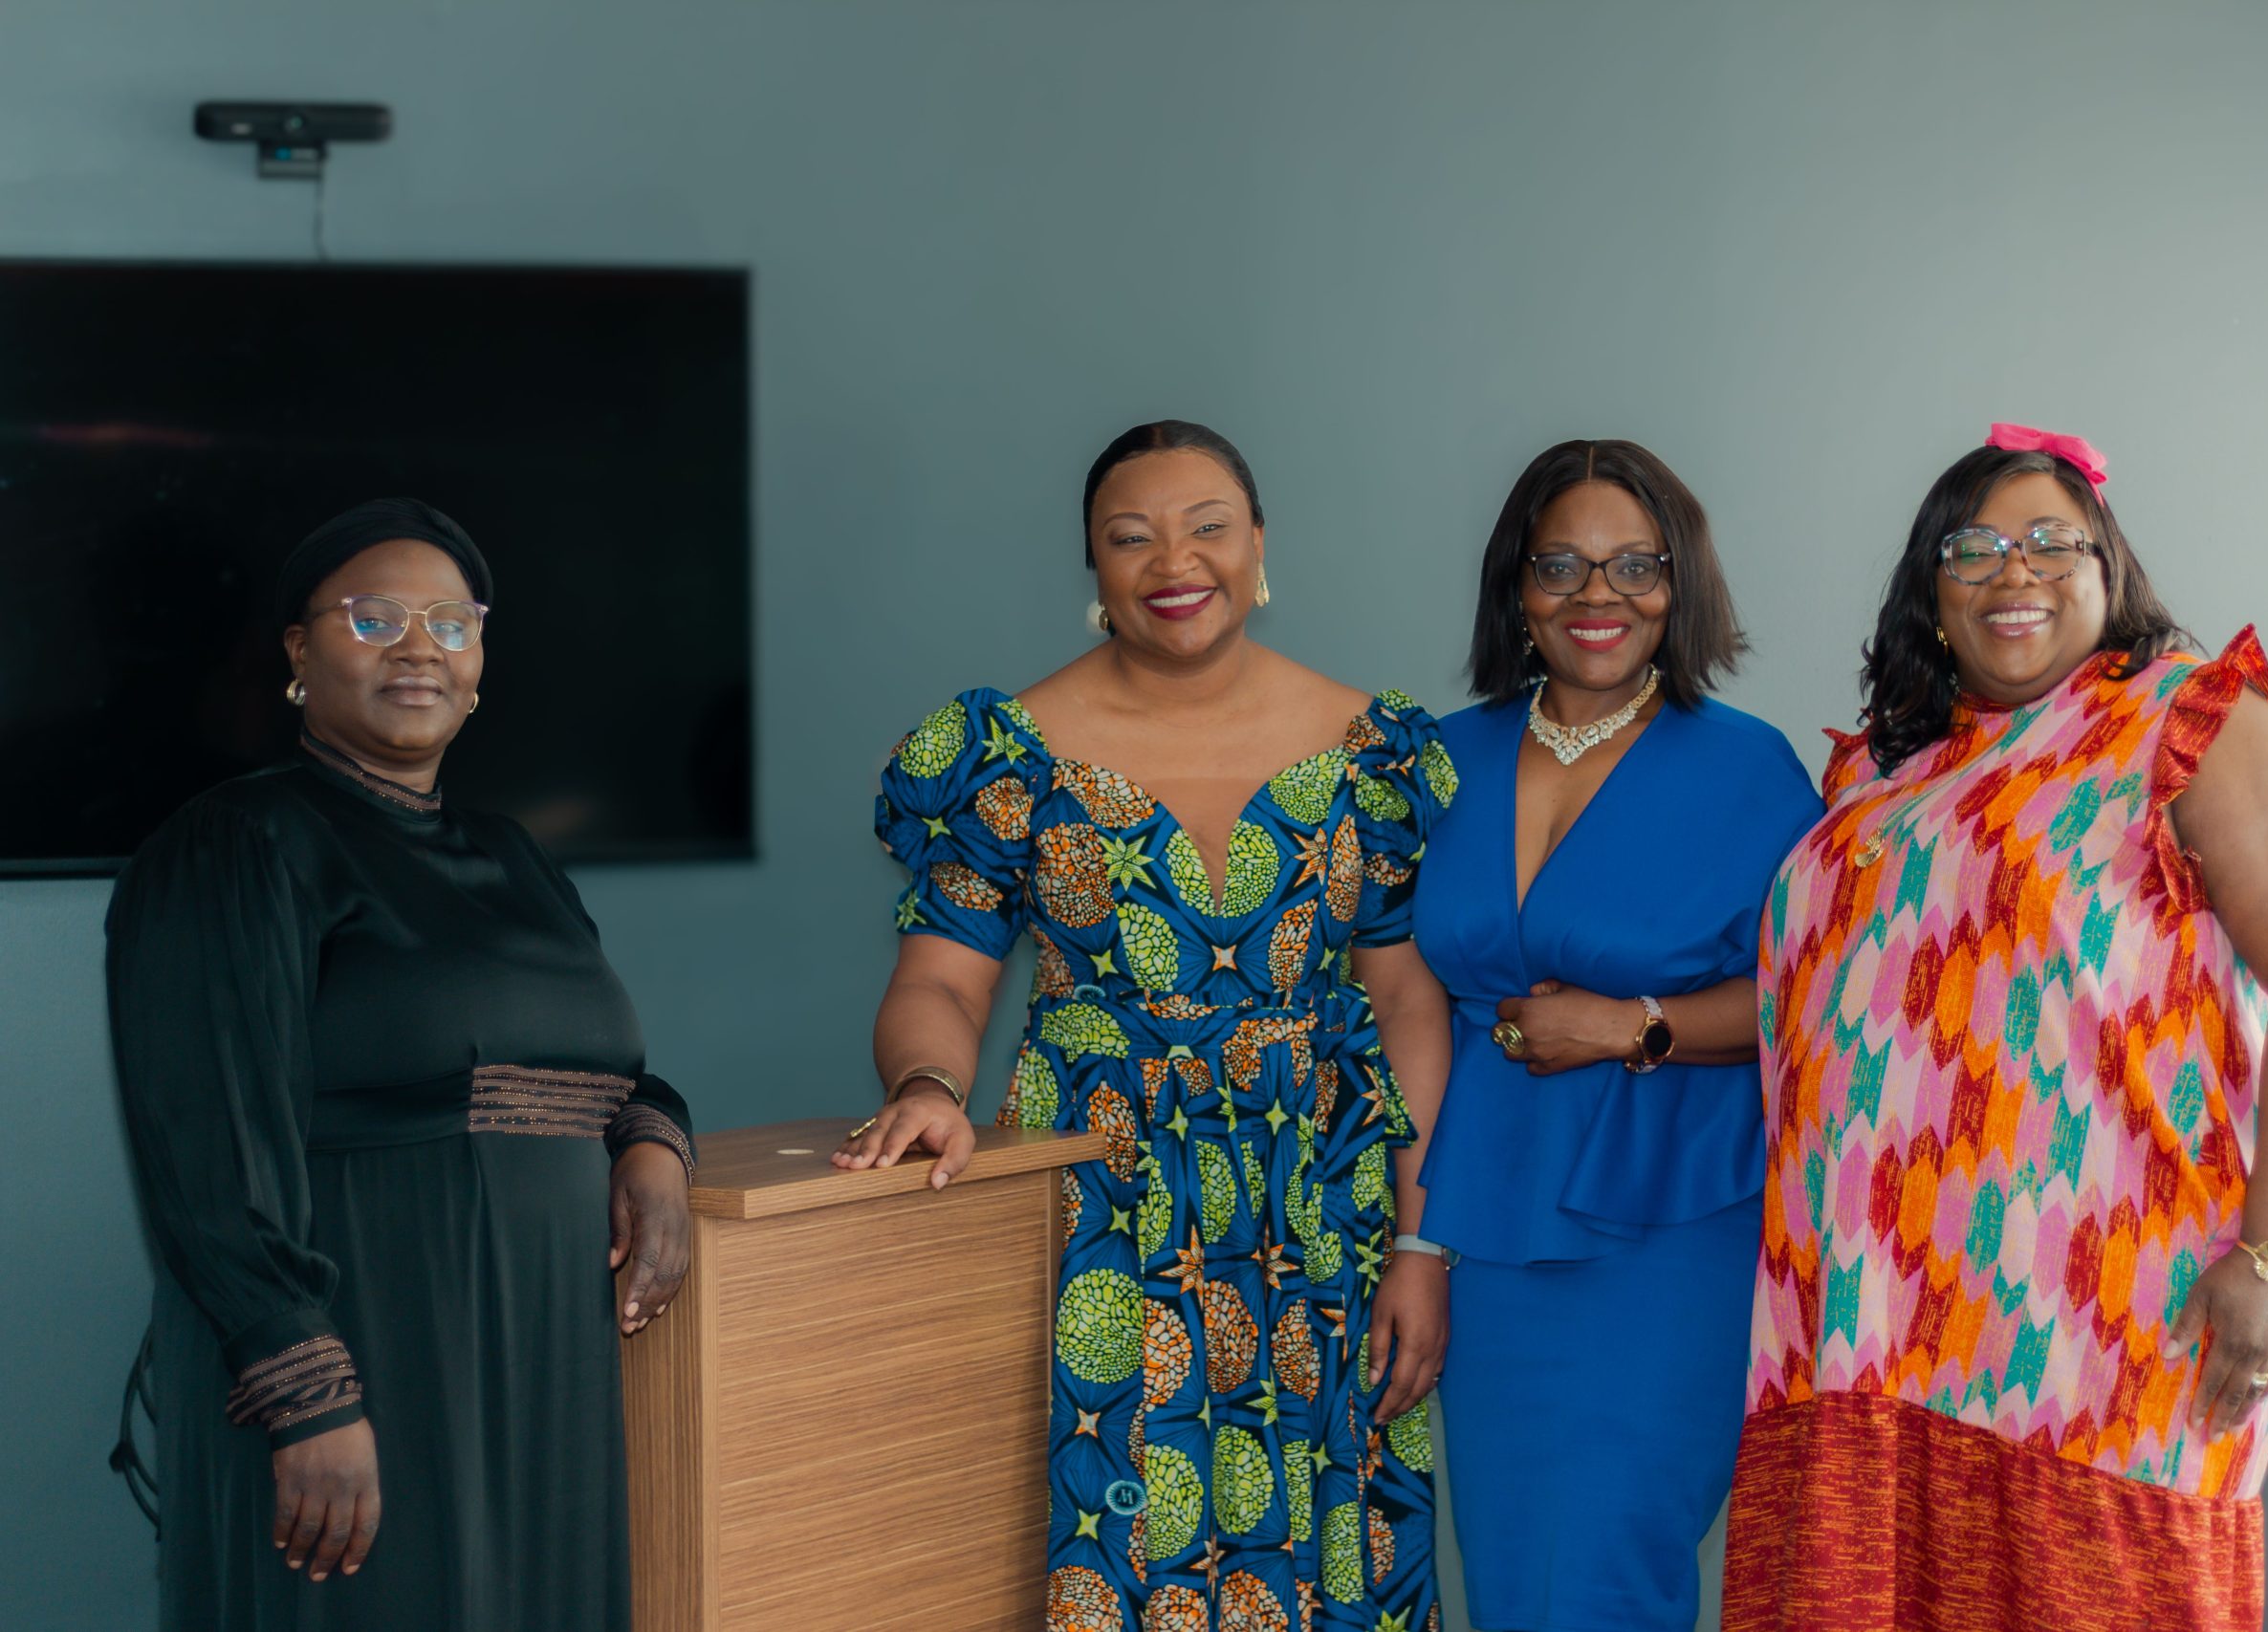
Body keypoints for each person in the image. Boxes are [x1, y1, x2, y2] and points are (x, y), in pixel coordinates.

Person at [1724, 426, 2268, 1631]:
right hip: (1863, 1335)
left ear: (2106, 566)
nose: (2012, 571)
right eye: (1972, 550)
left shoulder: (2188, 722)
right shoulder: (1879, 774)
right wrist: (1635, 1026)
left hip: (2094, 1332)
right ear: (1931, 592)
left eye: (2049, 543)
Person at [840, 422, 1452, 1631]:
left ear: (1258, 545)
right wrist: (924, 1085)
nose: (1174, 561)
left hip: (1320, 1216)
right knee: (1122, 1535)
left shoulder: (1371, 751)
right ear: (1095, 566)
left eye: (1206, 526)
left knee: (1332, 1542)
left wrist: (1422, 1246)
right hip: (1101, 1209)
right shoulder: (1006, 756)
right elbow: (943, 985)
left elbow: (1406, 1002)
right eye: (1131, 537)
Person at [107, 499, 697, 1631]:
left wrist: (652, 1148)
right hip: (362, 1353)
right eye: (374, 619)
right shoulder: (238, 843)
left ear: (478, 667)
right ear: (298, 653)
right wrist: (306, 1393)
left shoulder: (516, 857)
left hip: (543, 1362)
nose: (420, 647)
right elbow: (206, 1140)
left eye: (450, 623)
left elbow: (605, 1073)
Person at [1399, 439, 1821, 1632]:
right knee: (1512, 1567)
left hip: (1670, 1227)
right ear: (1516, 586)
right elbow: (1406, 1014)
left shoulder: (1748, 766)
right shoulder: (1439, 759)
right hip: (1482, 1224)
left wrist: (1635, 1025)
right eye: (1563, 565)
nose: (1600, 595)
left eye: (1637, 565)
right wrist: (1418, 1246)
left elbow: (1810, 1003)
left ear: (1681, 585)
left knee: (1606, 1568)